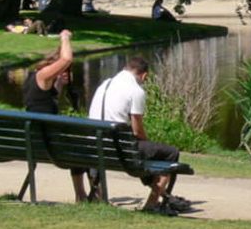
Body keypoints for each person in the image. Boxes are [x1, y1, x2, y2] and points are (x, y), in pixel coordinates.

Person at [88, 56, 188, 215]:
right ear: (144, 76)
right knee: (170, 152)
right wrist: (146, 142)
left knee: (143, 150)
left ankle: (96, 194)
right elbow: (137, 131)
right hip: (118, 150)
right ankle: (153, 202)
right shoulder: (136, 90)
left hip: (94, 146)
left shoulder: (105, 84)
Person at [23, 30, 90, 201]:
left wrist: (59, 84)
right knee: (87, 147)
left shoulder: (36, 80)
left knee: (81, 144)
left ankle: (82, 194)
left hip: (38, 141)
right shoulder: (43, 75)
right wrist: (65, 38)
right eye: (62, 70)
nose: (66, 72)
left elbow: (44, 103)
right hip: (49, 144)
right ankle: (85, 194)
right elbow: (66, 59)